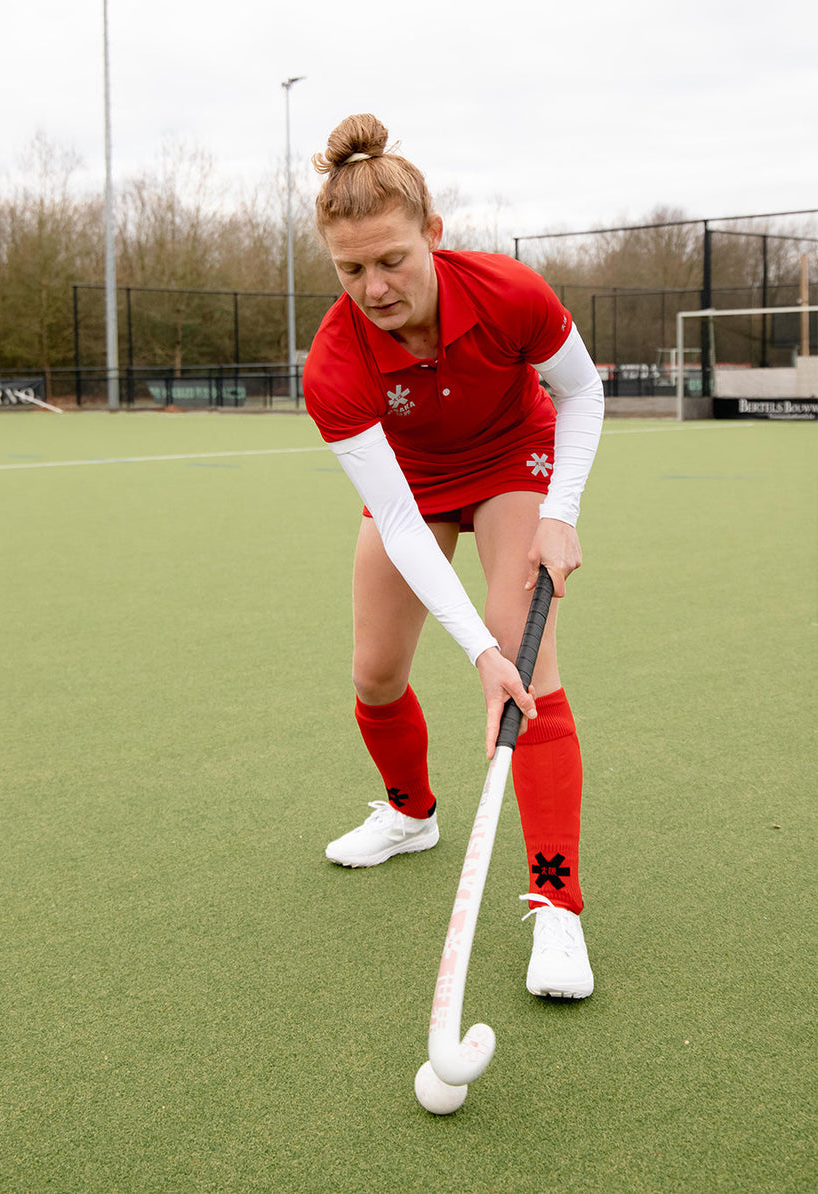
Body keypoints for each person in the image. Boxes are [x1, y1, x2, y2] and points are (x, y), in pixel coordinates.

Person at [302, 114, 604, 1000]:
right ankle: (410, 814)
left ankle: (556, 904)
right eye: (350, 269)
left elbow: (580, 391)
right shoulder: (333, 365)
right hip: (413, 483)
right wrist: (473, 653)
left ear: (432, 233)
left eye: (392, 259)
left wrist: (559, 515)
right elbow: (399, 525)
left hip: (515, 458)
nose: (374, 286)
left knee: (526, 665)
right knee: (374, 673)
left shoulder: (507, 291)